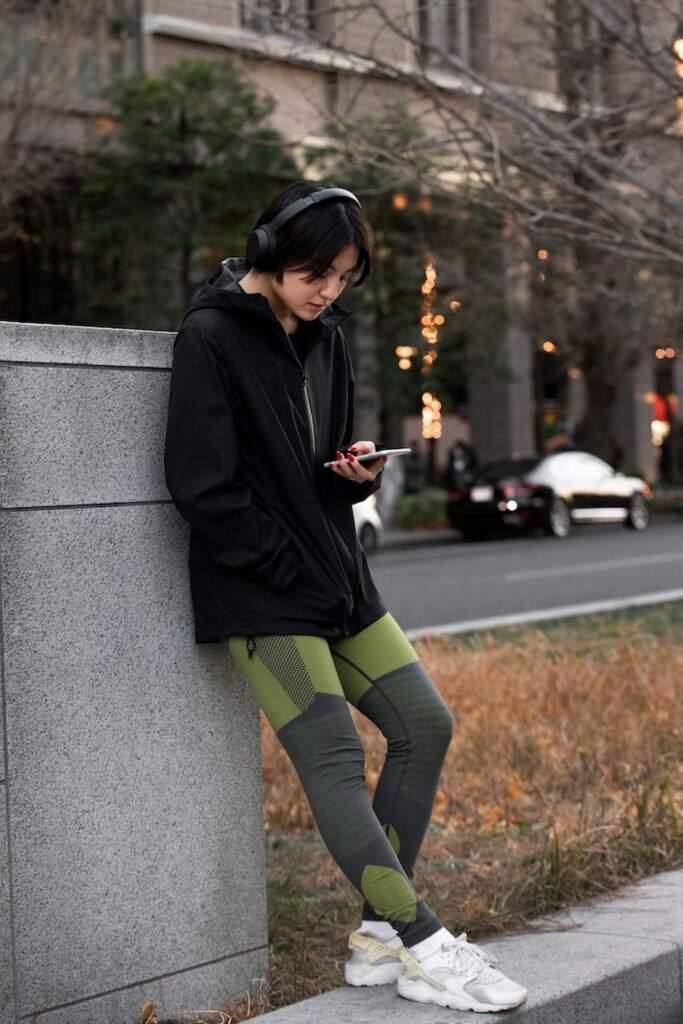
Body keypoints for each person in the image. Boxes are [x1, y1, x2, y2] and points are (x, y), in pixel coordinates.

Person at [164, 180, 527, 1014]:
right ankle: (423, 944)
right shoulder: (210, 337)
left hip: (336, 576)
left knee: (423, 724)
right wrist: (283, 561)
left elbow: (317, 464)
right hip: (260, 592)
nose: (327, 289)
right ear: (268, 252)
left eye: (343, 276)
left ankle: (374, 938)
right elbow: (201, 488)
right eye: (314, 271)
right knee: (333, 758)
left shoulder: (326, 338)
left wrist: (350, 472)